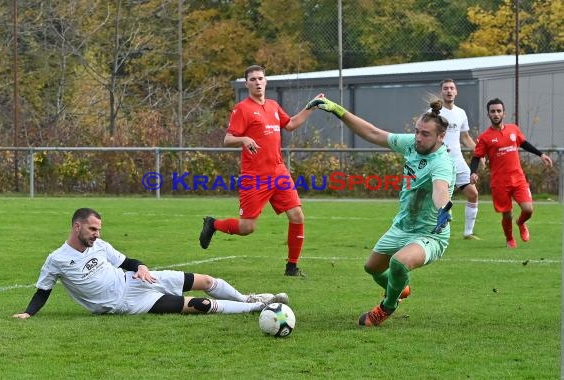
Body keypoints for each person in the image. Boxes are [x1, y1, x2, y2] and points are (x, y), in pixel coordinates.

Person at [306, 97, 455, 327]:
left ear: (440, 137)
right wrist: (338, 110)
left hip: (431, 232)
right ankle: (399, 287)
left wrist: (444, 209)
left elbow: (440, 190)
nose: (418, 137)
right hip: (402, 226)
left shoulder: (442, 162)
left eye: (425, 134)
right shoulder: (412, 145)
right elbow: (373, 133)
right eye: (417, 131)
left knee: (399, 263)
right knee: (373, 268)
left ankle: (387, 306)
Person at [13, 208, 289, 319]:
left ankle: (246, 297)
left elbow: (128, 261)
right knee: (199, 305)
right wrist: (28, 313)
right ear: (77, 227)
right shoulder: (57, 259)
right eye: (93, 229)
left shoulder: (100, 245)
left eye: (98, 230)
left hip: (134, 280)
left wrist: (141, 267)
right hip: (126, 303)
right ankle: (257, 307)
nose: (97, 234)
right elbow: (43, 290)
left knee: (205, 281)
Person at [199, 65, 320, 277]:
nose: (257, 82)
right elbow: (228, 139)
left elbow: (290, 124)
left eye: (260, 78)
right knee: (247, 228)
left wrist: (311, 106)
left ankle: (291, 267)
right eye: (253, 79)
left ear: (266, 82)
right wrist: (244, 139)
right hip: (255, 177)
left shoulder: (273, 106)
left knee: (297, 216)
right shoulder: (242, 109)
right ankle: (213, 224)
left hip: (278, 172)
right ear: (247, 84)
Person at [469, 98, 553, 249]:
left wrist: (541, 155)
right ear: (488, 114)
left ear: (504, 113)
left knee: (528, 209)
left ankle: (521, 223)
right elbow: (476, 157)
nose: (496, 114)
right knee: (506, 214)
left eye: (499, 111)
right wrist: (473, 173)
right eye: (493, 111)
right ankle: (509, 239)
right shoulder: (484, 137)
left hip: (518, 179)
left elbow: (524, 143)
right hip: (499, 182)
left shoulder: (513, 129)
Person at [436, 79, 480, 239]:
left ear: (456, 92)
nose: (449, 91)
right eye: (446, 88)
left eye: (451, 88)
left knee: (473, 193)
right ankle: (439, 229)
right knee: (441, 197)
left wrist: (478, 153)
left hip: (458, 160)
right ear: (442, 92)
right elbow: (425, 134)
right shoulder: (434, 113)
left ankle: (468, 233)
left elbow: (465, 137)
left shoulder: (460, 112)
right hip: (439, 161)